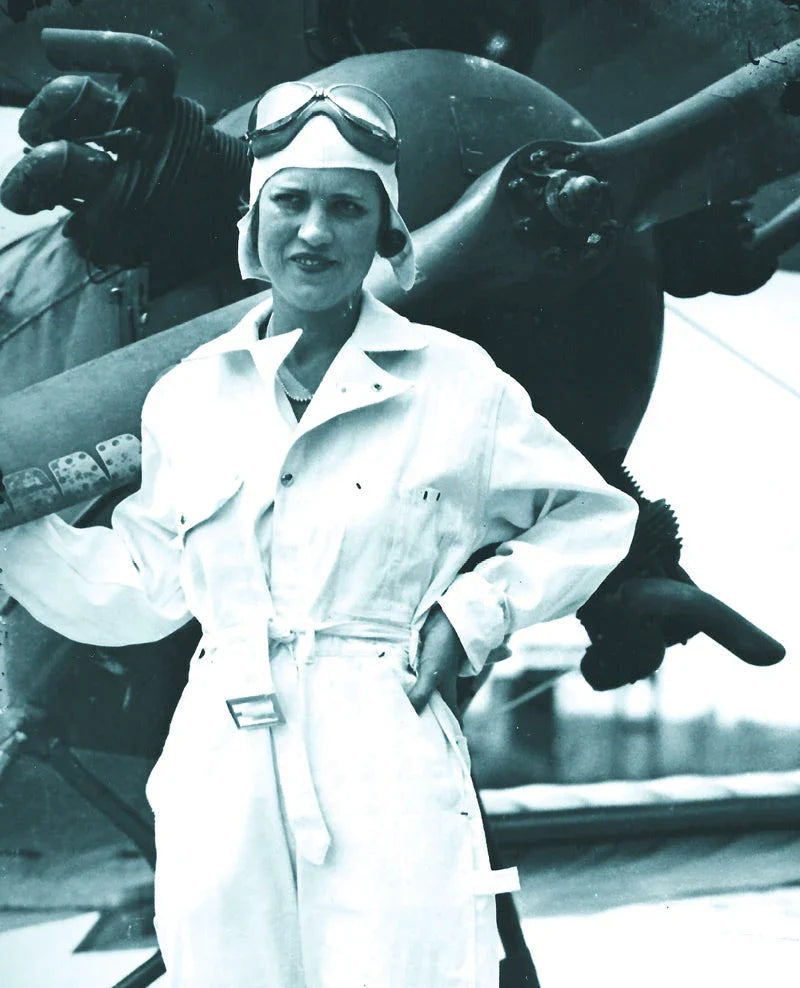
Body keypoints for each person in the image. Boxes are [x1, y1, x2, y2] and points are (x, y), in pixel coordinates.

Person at [0, 81, 637, 986]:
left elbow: (593, 516)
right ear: (253, 221)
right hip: (218, 753)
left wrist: (475, 612)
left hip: (382, 731)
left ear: (385, 231)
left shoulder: (457, 384)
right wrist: (14, 537)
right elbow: (145, 584)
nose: (314, 231)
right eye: (290, 202)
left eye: (347, 207)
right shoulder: (189, 395)